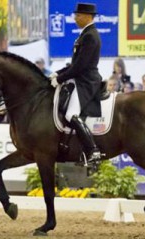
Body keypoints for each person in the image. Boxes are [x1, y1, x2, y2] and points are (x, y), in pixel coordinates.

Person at [49, 3, 102, 164]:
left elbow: (80, 66)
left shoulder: (90, 36)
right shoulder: (85, 34)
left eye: (78, 15)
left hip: (86, 81)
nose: (75, 18)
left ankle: (93, 151)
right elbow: (74, 64)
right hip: (80, 78)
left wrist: (60, 79)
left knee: (70, 114)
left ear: (87, 17)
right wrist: (57, 73)